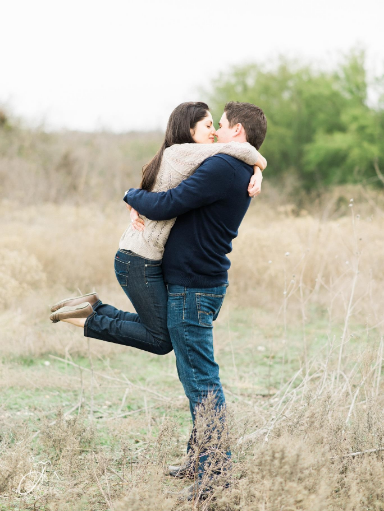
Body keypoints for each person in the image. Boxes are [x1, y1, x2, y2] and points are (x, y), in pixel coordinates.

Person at [49, 100, 267, 498]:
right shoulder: (233, 166)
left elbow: (169, 204)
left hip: (193, 287)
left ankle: (215, 476)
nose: (216, 131)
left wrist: (131, 194)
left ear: (238, 131)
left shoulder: (222, 167)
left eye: (221, 124)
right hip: (196, 283)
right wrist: (258, 165)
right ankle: (199, 458)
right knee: (192, 376)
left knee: (201, 381)